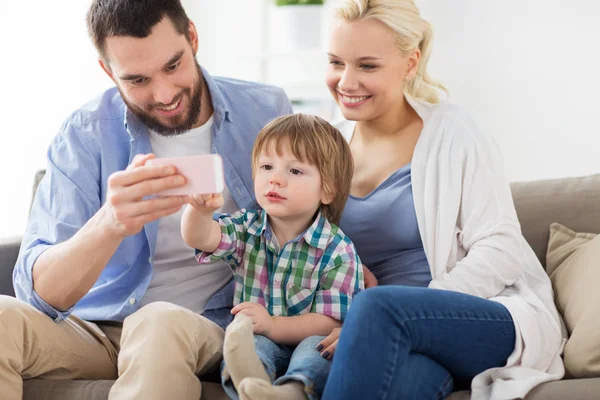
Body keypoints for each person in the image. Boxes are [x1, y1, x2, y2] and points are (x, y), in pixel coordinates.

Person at [1, 0, 293, 399]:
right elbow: (40, 294)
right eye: (137, 80)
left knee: (156, 322)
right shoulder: (85, 134)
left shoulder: (264, 111)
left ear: (192, 37)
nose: (164, 94)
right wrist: (110, 223)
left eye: (173, 66)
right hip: (98, 330)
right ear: (108, 71)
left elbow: (309, 221)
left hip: (203, 325)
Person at [315, 1, 566, 399]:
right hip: (389, 336)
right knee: (409, 380)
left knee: (377, 308)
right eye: (335, 62)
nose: (346, 81)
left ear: (410, 63)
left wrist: (397, 311)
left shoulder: (453, 131)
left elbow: (501, 250)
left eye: (367, 65)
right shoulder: (323, 144)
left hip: (476, 315)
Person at [181, 114, 364, 400]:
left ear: (328, 189)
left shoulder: (338, 249)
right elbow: (200, 237)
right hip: (260, 338)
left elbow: (332, 321)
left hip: (309, 338)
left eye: (295, 171)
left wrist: (273, 325)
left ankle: (292, 392)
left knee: (317, 351)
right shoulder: (247, 228)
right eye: (267, 166)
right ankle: (251, 386)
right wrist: (200, 211)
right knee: (249, 345)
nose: (275, 179)